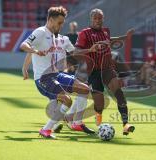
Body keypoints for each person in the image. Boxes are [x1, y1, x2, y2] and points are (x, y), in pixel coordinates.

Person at [20, 6, 99, 138]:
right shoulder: (40, 32)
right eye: (59, 23)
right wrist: (34, 52)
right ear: (50, 20)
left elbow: (75, 53)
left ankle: (75, 122)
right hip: (43, 79)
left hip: (57, 75)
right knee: (67, 100)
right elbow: (24, 45)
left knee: (85, 89)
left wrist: (90, 50)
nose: (61, 26)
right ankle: (46, 129)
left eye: (63, 23)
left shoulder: (62, 39)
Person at [70, 8, 135, 135]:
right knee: (99, 103)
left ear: (103, 19)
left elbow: (109, 39)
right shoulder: (84, 33)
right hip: (93, 72)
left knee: (118, 91)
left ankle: (126, 124)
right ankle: (98, 113)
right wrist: (91, 49)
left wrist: (125, 37)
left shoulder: (106, 31)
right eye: (95, 18)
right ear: (91, 19)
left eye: (100, 18)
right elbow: (76, 52)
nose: (98, 21)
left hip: (107, 69)